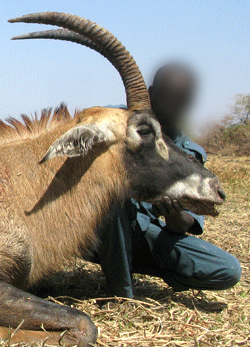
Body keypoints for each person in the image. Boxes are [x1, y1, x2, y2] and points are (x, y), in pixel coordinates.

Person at [93, 63, 241, 297]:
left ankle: (144, 265)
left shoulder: (190, 154)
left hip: (148, 236)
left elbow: (184, 225)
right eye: (165, 95)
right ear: (150, 94)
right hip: (98, 230)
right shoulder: (116, 121)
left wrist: (173, 214)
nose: (170, 105)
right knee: (114, 197)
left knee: (228, 269)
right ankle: (119, 292)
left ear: (189, 103)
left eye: (180, 99)